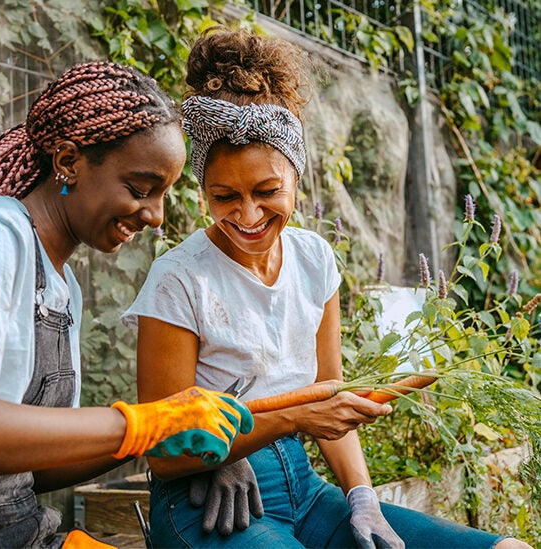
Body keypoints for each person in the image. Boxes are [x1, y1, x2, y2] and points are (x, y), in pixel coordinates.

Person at [123, 27, 532, 548]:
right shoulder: (179, 278)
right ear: (202, 188)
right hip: (208, 502)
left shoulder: (314, 259)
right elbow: (163, 449)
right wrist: (235, 442)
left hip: (307, 491)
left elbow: (329, 398)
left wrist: (361, 495)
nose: (247, 214)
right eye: (224, 195)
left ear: (298, 178)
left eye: (268, 191)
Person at [0, 60, 254, 548]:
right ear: (69, 161)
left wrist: (156, 430)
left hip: (15, 529)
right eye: (141, 189)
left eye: (162, 195)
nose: (155, 216)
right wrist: (137, 424)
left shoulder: (61, 284)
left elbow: (35, 467)